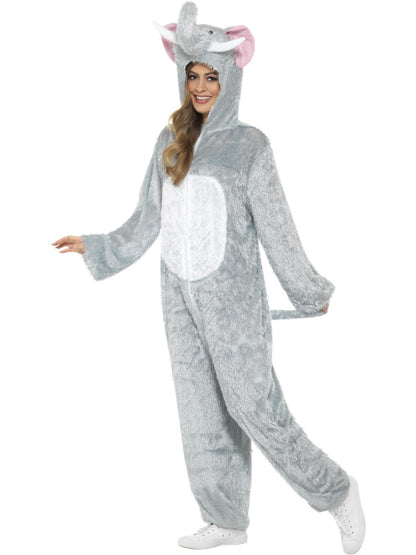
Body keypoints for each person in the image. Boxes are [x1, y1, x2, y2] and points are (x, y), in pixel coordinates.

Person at [52, 3, 366, 553]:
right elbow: (147, 219)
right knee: (200, 412)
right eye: (193, 75)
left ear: (231, 78)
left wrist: (307, 289)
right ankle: (225, 519)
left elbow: (277, 227)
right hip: (177, 299)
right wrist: (97, 245)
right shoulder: (169, 140)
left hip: (233, 302)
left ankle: (336, 490)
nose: (201, 87)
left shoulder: (249, 146)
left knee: (254, 408)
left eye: (212, 76)